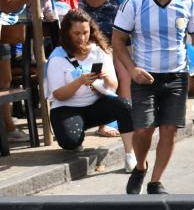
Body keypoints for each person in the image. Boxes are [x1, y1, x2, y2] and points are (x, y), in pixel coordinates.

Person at [112, 0, 194, 195]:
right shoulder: (134, 3)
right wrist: (132, 69)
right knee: (143, 130)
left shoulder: (187, 3)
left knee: (169, 130)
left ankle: (155, 182)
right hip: (144, 77)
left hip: (177, 77)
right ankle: (140, 166)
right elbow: (117, 41)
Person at [46, 9, 137, 171]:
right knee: (70, 141)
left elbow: (113, 87)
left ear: (91, 31)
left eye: (85, 33)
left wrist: (105, 78)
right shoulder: (57, 57)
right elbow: (58, 94)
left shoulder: (99, 51)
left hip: (94, 106)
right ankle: (77, 136)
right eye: (76, 33)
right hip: (66, 108)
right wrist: (80, 81)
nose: (81, 38)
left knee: (124, 105)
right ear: (67, 33)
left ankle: (130, 155)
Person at [75, 0, 136, 127]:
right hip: (98, 33)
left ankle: (125, 117)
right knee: (105, 80)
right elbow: (93, 0)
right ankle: (104, 124)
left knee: (125, 76)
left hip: (121, 31)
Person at [0, 0, 32, 143]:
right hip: (3, 32)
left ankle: (8, 125)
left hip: (9, 34)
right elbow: (7, 7)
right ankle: (8, 128)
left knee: (6, 80)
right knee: (4, 81)